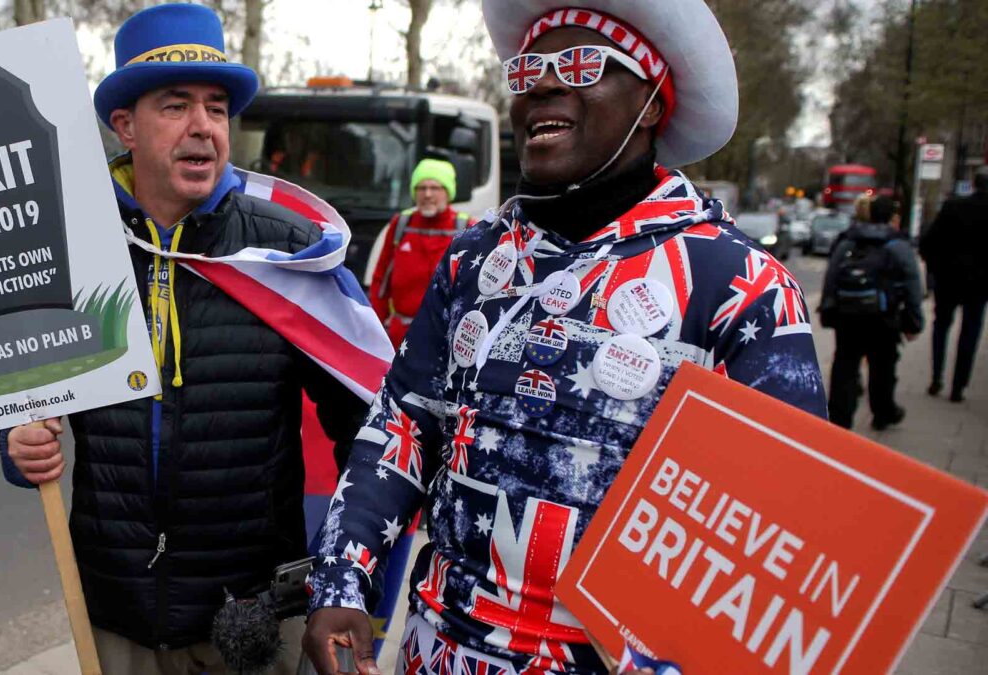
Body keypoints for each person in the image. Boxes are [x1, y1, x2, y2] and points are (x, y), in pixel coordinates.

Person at [302, 3, 827, 675]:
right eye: (529, 70)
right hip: (435, 652)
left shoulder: (745, 286)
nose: (542, 86)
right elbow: (405, 421)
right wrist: (344, 577)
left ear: (650, 102)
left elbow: (785, 538)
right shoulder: (473, 260)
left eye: (580, 64)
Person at [0, 5, 369, 673]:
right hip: (114, 618)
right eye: (175, 105)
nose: (203, 126)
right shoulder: (73, 248)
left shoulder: (287, 251)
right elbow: (24, 402)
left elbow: (373, 436)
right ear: (124, 126)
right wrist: (17, 444)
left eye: (216, 107)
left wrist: (348, 577)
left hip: (253, 623)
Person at [820, 196, 924, 430]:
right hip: (883, 317)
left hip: (847, 315)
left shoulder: (848, 240)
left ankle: (839, 419)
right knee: (883, 366)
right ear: (892, 217)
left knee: (845, 364)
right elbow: (912, 284)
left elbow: (832, 276)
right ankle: (883, 412)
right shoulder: (898, 245)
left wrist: (828, 308)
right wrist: (914, 322)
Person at [367, 158, 471, 347]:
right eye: (421, 188)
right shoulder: (401, 224)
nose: (427, 194)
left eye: (435, 188)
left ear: (448, 192)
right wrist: (374, 327)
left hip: (445, 337)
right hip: (400, 336)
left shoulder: (466, 228)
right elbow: (380, 280)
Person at [920, 166, 988, 402]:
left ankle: (937, 376)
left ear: (974, 183)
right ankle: (959, 386)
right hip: (979, 285)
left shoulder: (953, 206)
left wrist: (936, 270)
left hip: (948, 280)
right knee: (970, 332)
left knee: (941, 327)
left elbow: (928, 242)